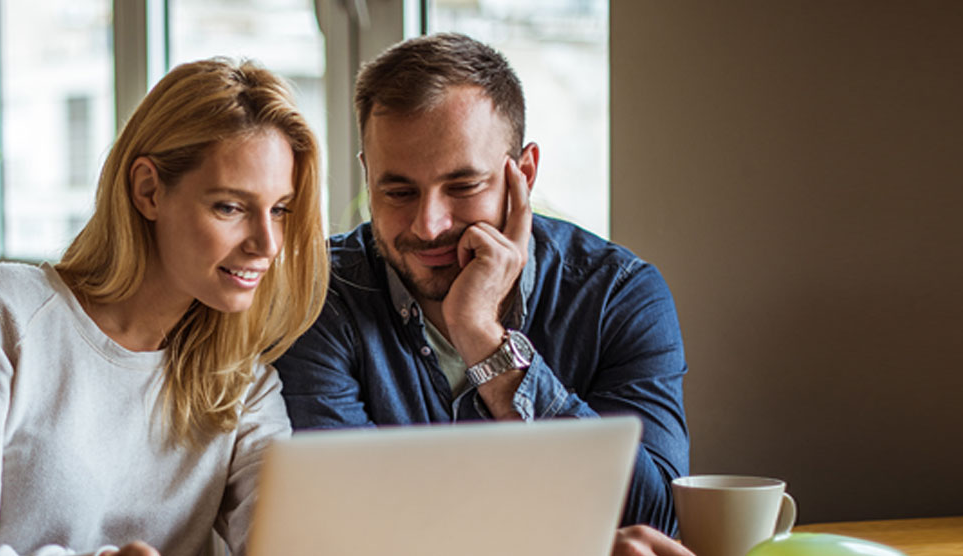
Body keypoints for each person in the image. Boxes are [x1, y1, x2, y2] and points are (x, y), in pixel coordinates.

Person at [0, 58, 328, 556]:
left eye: (280, 210)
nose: (267, 243)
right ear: (148, 190)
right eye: (230, 207)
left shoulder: (241, 383)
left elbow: (287, 541)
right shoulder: (0, 315)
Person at [272, 33, 693, 553]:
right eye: (399, 191)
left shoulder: (618, 296)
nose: (428, 226)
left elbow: (654, 522)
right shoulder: (321, 294)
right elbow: (341, 528)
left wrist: (484, 340)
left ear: (525, 174)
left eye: (463, 187)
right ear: (367, 175)